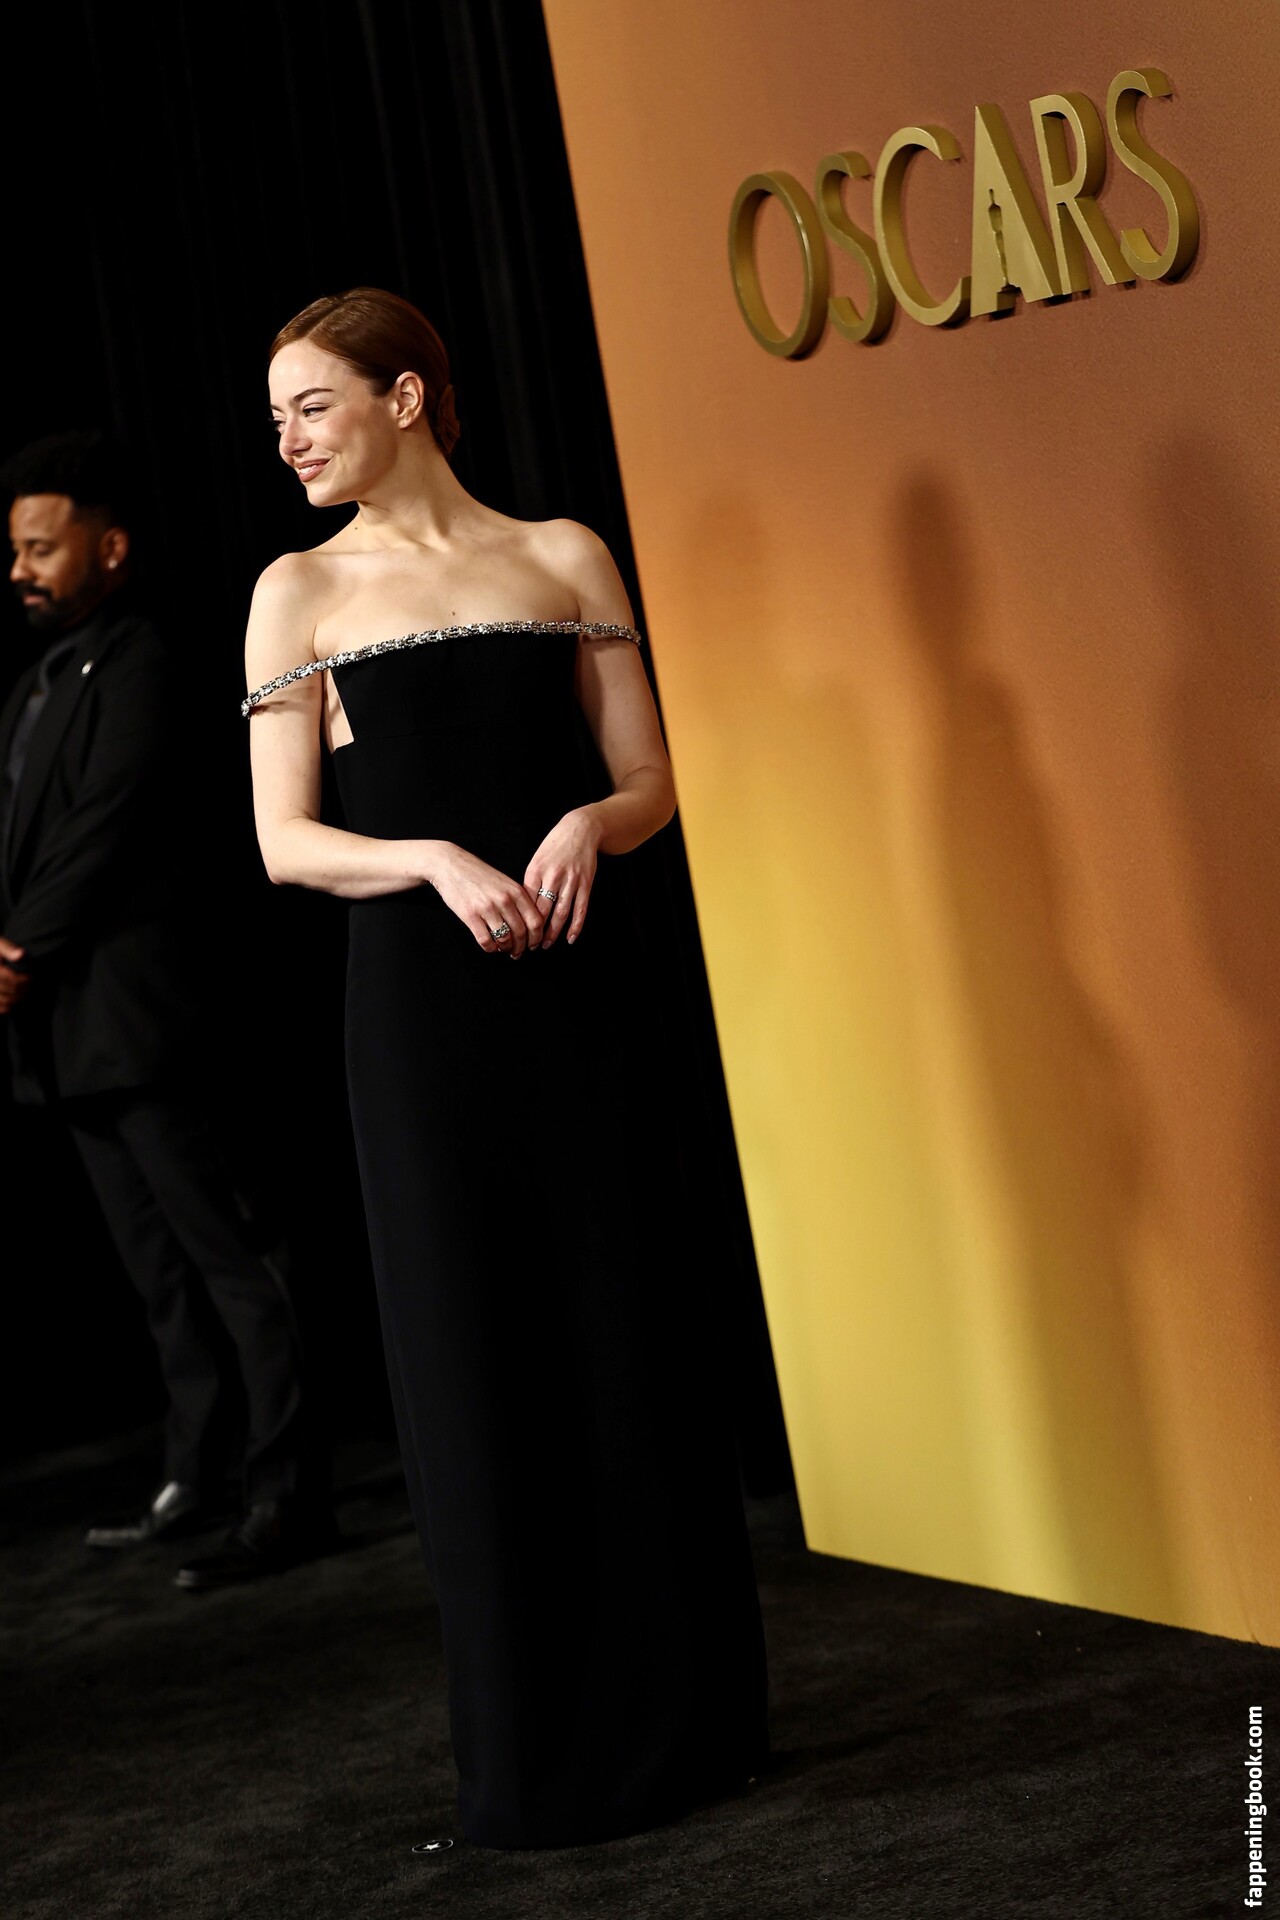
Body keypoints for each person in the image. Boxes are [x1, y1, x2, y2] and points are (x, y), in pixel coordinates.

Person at [245, 287, 768, 1848]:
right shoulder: (295, 592)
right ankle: (536, 1760)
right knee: (477, 1353)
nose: (288, 441)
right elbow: (284, 843)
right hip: (421, 1021)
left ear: (404, 397)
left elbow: (649, 775)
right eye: (277, 418)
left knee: (625, 1325)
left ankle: (694, 1723)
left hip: (582, 997)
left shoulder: (561, 554)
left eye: (312, 407)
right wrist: (428, 859)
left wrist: (592, 822)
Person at [0, 430, 324, 1587]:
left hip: (148, 1020)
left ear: (111, 546)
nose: (20, 569)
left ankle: (286, 1491)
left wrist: (19, 947)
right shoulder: (41, 680)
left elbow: (108, 822)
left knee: (231, 1258)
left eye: (42, 547)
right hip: (72, 1032)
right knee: (158, 1276)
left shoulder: (145, 658)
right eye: (15, 550)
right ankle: (199, 1472)